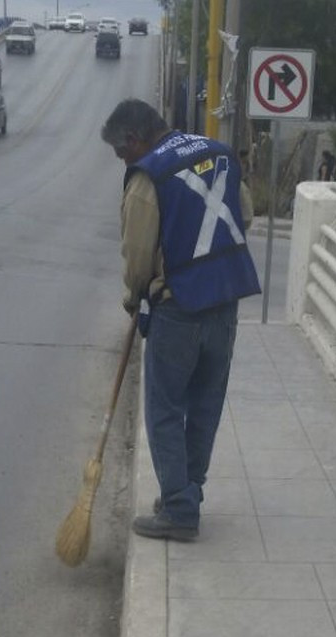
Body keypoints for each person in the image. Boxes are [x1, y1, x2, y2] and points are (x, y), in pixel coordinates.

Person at [101, 98, 261, 541]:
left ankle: (178, 508)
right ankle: (188, 492)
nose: (122, 160)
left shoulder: (148, 175)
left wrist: (136, 297)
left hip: (179, 306)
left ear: (133, 139)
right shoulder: (219, 152)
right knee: (205, 404)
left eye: (120, 151)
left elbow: (137, 253)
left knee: (166, 407)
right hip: (225, 299)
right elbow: (244, 214)